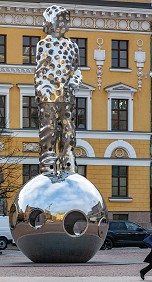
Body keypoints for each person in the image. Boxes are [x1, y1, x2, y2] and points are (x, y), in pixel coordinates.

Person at [35, 5, 82, 176]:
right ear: (50, 22)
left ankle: (68, 159)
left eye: (65, 20)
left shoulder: (72, 46)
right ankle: (48, 162)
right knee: (49, 130)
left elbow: (76, 68)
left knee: (68, 129)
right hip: (48, 96)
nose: (63, 24)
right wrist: (42, 93)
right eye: (59, 20)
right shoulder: (44, 45)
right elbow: (40, 71)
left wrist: (76, 79)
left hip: (66, 96)